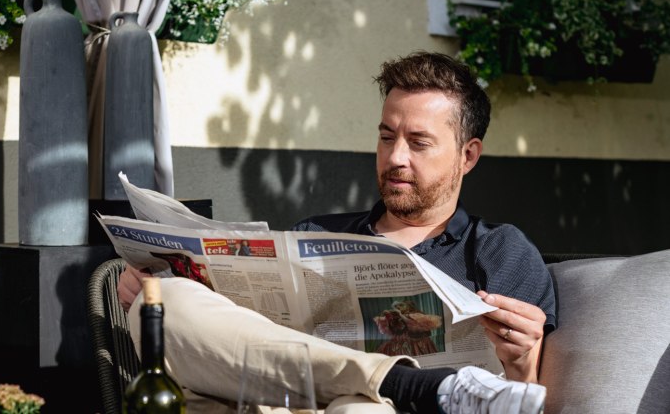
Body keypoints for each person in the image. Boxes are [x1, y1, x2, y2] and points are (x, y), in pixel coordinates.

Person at [118, 51, 555, 413]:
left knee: (357, 409)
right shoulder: (316, 234)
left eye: (418, 143)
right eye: (387, 137)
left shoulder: (499, 251)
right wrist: (158, 286)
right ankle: (405, 382)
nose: (395, 157)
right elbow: (242, 344)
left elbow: (524, 394)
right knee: (164, 302)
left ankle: (398, 389)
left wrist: (523, 360)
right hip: (283, 403)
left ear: (468, 155)